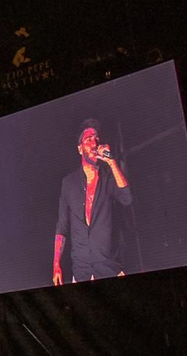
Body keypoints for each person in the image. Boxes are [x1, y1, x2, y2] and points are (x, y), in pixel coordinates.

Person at [52, 118, 132, 285]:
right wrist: (56, 265)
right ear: (80, 149)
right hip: (82, 272)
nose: (94, 143)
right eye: (88, 139)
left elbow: (126, 198)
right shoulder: (69, 183)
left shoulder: (108, 177)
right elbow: (62, 226)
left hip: (109, 268)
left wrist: (111, 162)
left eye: (96, 138)